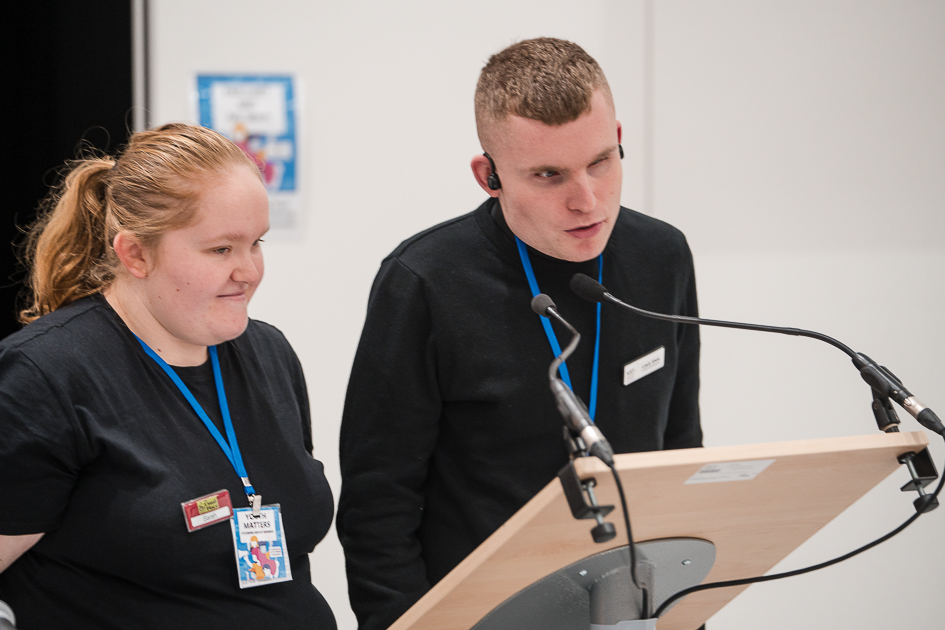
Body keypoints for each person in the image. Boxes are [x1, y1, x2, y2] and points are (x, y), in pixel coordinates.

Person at [337, 37, 702, 630]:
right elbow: (378, 504)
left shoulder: (662, 254)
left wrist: (687, 611)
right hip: (485, 613)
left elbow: (681, 445)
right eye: (549, 175)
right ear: (489, 176)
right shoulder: (425, 281)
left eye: (602, 162)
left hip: (634, 605)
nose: (587, 201)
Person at [0, 123, 336, 630]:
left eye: (256, 243)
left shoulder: (268, 353)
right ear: (135, 254)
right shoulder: (46, 376)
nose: (248, 270)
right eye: (221, 249)